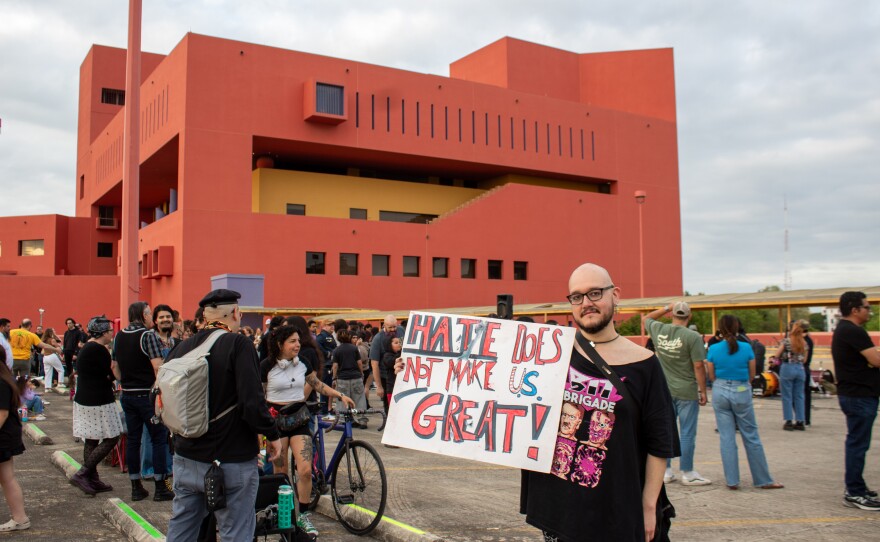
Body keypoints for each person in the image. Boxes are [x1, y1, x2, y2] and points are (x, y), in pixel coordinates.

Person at [518, 263, 679, 541]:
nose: (586, 303)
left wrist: (649, 505)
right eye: (577, 297)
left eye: (595, 293)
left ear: (615, 295)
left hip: (617, 512)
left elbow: (660, 442)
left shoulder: (644, 364)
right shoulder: (550, 355)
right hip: (560, 511)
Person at [164, 289, 282, 542]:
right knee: (235, 531)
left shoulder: (181, 348)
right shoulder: (239, 344)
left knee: (182, 528)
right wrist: (272, 434)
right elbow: (252, 403)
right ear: (235, 313)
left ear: (204, 316)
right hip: (230, 460)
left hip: (186, 456)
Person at [260, 325, 354, 536]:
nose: (297, 344)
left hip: (299, 419)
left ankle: (302, 515)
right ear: (279, 344)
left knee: (304, 471)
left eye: (298, 341)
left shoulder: (303, 362)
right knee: (281, 475)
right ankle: (283, 515)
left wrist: (339, 395)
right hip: (275, 423)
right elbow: (258, 394)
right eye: (292, 341)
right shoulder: (266, 366)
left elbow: (317, 384)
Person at [706, 315, 783, 490]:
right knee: (751, 435)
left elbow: (711, 375)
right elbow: (752, 374)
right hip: (741, 390)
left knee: (726, 437)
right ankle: (763, 479)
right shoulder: (746, 347)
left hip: (720, 390)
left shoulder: (714, 349)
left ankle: (732, 480)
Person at [642, 301, 710, 486]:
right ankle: (687, 472)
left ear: (672, 315)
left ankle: (666, 470)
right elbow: (698, 365)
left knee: (667, 430)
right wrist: (702, 390)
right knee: (687, 432)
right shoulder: (693, 336)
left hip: (664, 389)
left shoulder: (659, 329)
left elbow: (646, 319)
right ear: (689, 316)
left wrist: (665, 307)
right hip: (686, 390)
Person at [112, 301, 174, 501]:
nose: (150, 317)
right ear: (143, 315)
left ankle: (135, 486)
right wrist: (158, 390)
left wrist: (125, 382)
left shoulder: (119, 336)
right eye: (149, 313)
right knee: (158, 439)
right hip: (147, 395)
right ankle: (160, 485)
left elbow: (114, 367)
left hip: (127, 394)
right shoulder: (148, 336)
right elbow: (158, 366)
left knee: (133, 440)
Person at [832, 291, 880, 510]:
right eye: (867, 307)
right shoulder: (852, 331)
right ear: (855, 309)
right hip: (858, 395)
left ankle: (856, 486)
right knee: (858, 444)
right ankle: (854, 492)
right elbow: (876, 359)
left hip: (857, 394)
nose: (869, 311)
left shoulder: (846, 330)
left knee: (858, 443)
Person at [69, 316, 124, 496]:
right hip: (98, 400)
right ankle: (83, 473)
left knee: (91, 439)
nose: (112, 334)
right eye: (110, 331)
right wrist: (116, 370)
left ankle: (92, 478)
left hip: (85, 399)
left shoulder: (87, 347)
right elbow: (108, 376)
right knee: (112, 437)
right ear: (102, 333)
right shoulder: (99, 350)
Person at [0, 348, 29, 532]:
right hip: (7, 434)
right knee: (7, 478)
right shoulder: (6, 379)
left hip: (3, 436)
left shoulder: (1, 382)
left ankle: (20, 518)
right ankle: (20, 518)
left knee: (7, 478)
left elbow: (1, 414)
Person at [774, 321, 809, 431]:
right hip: (800, 369)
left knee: (787, 395)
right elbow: (804, 360)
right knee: (799, 396)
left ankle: (789, 421)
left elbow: (777, 355)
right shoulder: (804, 343)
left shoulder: (787, 341)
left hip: (788, 367)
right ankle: (800, 421)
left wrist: (776, 362)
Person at [370, 315, 405, 420]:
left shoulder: (401, 331)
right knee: (389, 407)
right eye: (390, 327)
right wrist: (379, 386)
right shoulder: (378, 339)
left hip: (401, 375)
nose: (393, 329)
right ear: (384, 325)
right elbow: (374, 364)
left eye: (395, 326)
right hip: (386, 378)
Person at [331, 329, 367, 428]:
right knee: (359, 399)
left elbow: (335, 366)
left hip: (342, 378)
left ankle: (343, 420)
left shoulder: (336, 350)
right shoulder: (354, 348)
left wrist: (334, 378)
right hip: (355, 376)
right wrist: (361, 373)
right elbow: (359, 362)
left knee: (342, 400)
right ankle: (362, 419)